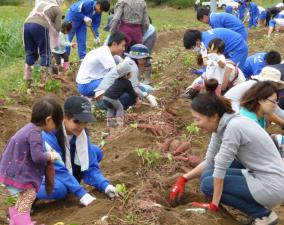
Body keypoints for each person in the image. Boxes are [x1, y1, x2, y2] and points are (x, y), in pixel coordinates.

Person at [169, 93, 284, 225]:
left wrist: (214, 205)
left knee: (208, 184)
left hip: (272, 185)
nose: (196, 124)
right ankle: (259, 211)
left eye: (198, 119)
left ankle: (263, 215)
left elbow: (220, 168)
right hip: (261, 176)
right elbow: (210, 161)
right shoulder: (221, 125)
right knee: (207, 175)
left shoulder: (234, 127)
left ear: (213, 116)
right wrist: (183, 179)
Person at [37, 96, 118, 206]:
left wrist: (105, 186)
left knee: (95, 152)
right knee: (60, 190)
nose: (81, 127)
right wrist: (82, 194)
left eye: (85, 122)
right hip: (40, 169)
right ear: (64, 118)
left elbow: (90, 167)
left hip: (62, 164)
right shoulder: (49, 134)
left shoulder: (82, 135)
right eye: (77, 121)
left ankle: (71, 183)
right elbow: (58, 169)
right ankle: (29, 191)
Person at [0, 97, 63, 225]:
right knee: (29, 195)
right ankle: (23, 223)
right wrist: (50, 155)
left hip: (14, 168)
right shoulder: (34, 133)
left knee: (24, 195)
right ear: (48, 120)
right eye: (55, 124)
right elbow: (37, 157)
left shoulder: (29, 128)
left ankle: (16, 221)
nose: (55, 128)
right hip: (20, 171)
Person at [95, 44, 158, 110]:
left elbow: (135, 85)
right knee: (132, 95)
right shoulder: (132, 66)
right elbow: (134, 89)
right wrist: (148, 96)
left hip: (103, 98)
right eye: (144, 59)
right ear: (138, 58)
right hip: (104, 101)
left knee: (143, 89)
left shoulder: (128, 62)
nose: (145, 61)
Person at [23, 0, 63, 89]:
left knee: (30, 53)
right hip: (40, 26)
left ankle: (28, 80)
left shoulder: (40, 3)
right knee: (45, 52)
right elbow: (57, 29)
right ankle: (44, 81)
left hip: (27, 25)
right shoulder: (57, 9)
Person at [76, 31, 127, 97]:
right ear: (114, 44)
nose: (124, 49)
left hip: (92, 81)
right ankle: (101, 101)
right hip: (85, 86)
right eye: (122, 46)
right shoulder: (105, 54)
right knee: (116, 81)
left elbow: (123, 63)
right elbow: (117, 74)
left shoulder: (110, 52)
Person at [103, 60, 139, 138]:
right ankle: (119, 126)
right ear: (126, 75)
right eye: (130, 72)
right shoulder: (127, 82)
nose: (132, 73)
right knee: (120, 108)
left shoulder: (117, 80)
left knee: (111, 110)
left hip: (105, 97)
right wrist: (137, 99)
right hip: (112, 98)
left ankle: (110, 127)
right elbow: (132, 92)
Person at [183, 28, 248, 68]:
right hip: (230, 47)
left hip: (238, 48)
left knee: (231, 72)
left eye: (193, 46)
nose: (194, 49)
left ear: (197, 40)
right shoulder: (203, 36)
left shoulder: (208, 42)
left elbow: (211, 63)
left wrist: (205, 71)